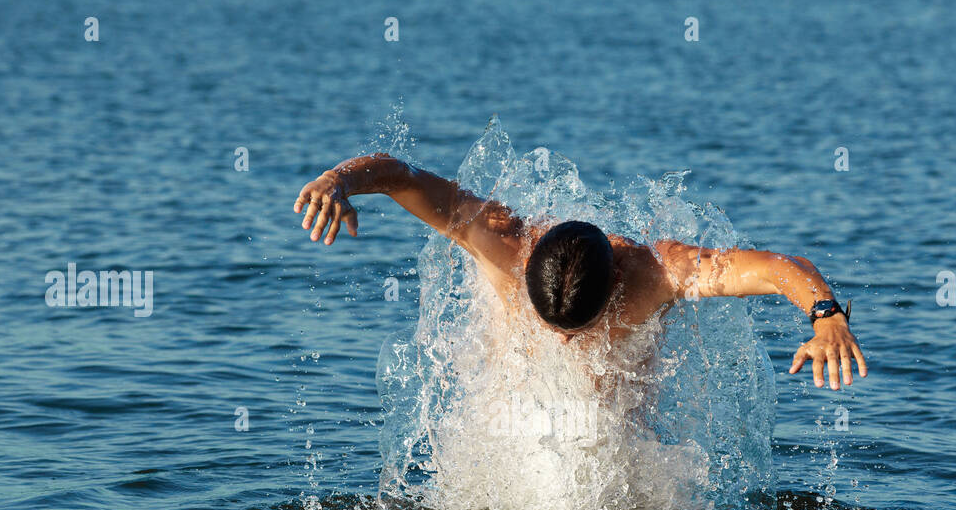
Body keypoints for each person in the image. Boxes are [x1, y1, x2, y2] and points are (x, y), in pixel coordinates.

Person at [294, 153, 867, 390]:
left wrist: (826, 316)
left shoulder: (658, 273)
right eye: (555, 328)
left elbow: (777, 267)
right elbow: (402, 178)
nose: (566, 344)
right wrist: (336, 181)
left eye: (578, 327)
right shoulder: (500, 242)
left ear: (617, 280)